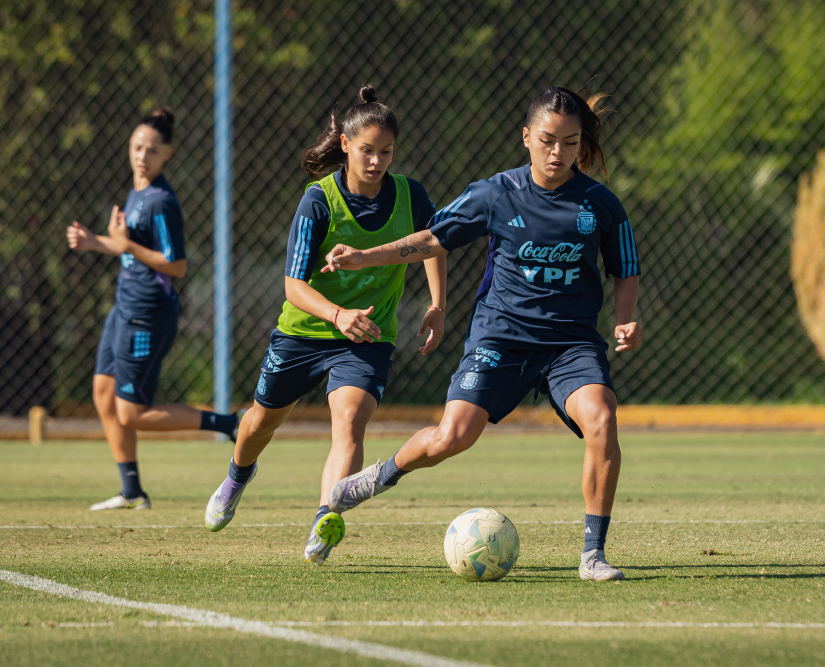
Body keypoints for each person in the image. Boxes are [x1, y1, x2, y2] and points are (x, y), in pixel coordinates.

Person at [322, 86, 642, 581]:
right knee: (454, 436)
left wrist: (626, 316)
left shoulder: (600, 204)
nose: (558, 153)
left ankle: (593, 554)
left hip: (570, 345)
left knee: (601, 418)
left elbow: (626, 269)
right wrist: (365, 255)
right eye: (547, 140)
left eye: (571, 143)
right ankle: (376, 479)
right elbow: (431, 238)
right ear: (526, 138)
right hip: (501, 337)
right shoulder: (495, 193)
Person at [203, 85, 447, 566]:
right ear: (345, 146)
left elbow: (431, 243)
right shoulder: (318, 201)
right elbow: (293, 286)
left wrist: (437, 304)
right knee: (258, 424)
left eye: (386, 152)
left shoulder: (410, 195)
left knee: (350, 425)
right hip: (304, 332)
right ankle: (237, 475)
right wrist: (337, 314)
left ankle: (325, 517)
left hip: (367, 338)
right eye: (367, 151)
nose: (377, 161)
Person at [67, 108, 240, 511]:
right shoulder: (137, 193)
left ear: (168, 155)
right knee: (104, 394)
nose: (142, 156)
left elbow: (174, 263)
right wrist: (97, 242)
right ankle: (131, 492)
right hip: (122, 310)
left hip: (148, 313)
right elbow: (131, 248)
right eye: (137, 147)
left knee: (132, 413)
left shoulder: (161, 201)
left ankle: (229, 424)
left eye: (152, 150)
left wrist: (125, 246)